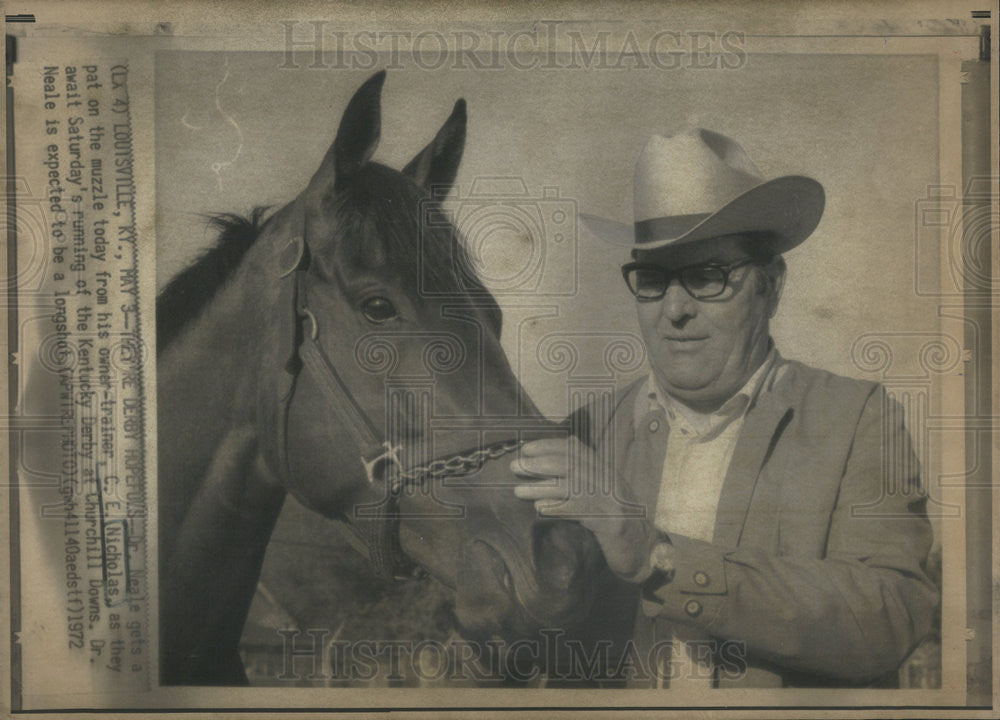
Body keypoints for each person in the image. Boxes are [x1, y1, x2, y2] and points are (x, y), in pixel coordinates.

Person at [511, 128, 938, 688]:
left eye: (707, 276)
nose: (676, 309)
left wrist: (658, 559)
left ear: (772, 286)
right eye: (654, 280)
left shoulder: (856, 418)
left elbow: (892, 616)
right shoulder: (583, 434)